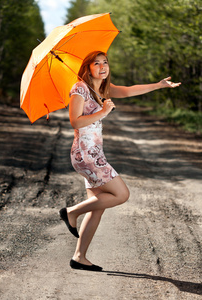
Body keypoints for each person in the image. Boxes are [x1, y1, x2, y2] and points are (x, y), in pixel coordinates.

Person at [59, 51, 181, 271]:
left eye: (105, 62)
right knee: (122, 194)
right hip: (86, 154)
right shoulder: (79, 89)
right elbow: (75, 121)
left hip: (94, 153)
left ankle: (79, 256)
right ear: (87, 68)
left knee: (98, 207)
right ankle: (71, 212)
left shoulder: (101, 89)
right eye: (96, 64)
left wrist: (159, 85)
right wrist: (104, 111)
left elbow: (129, 90)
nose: (102, 67)